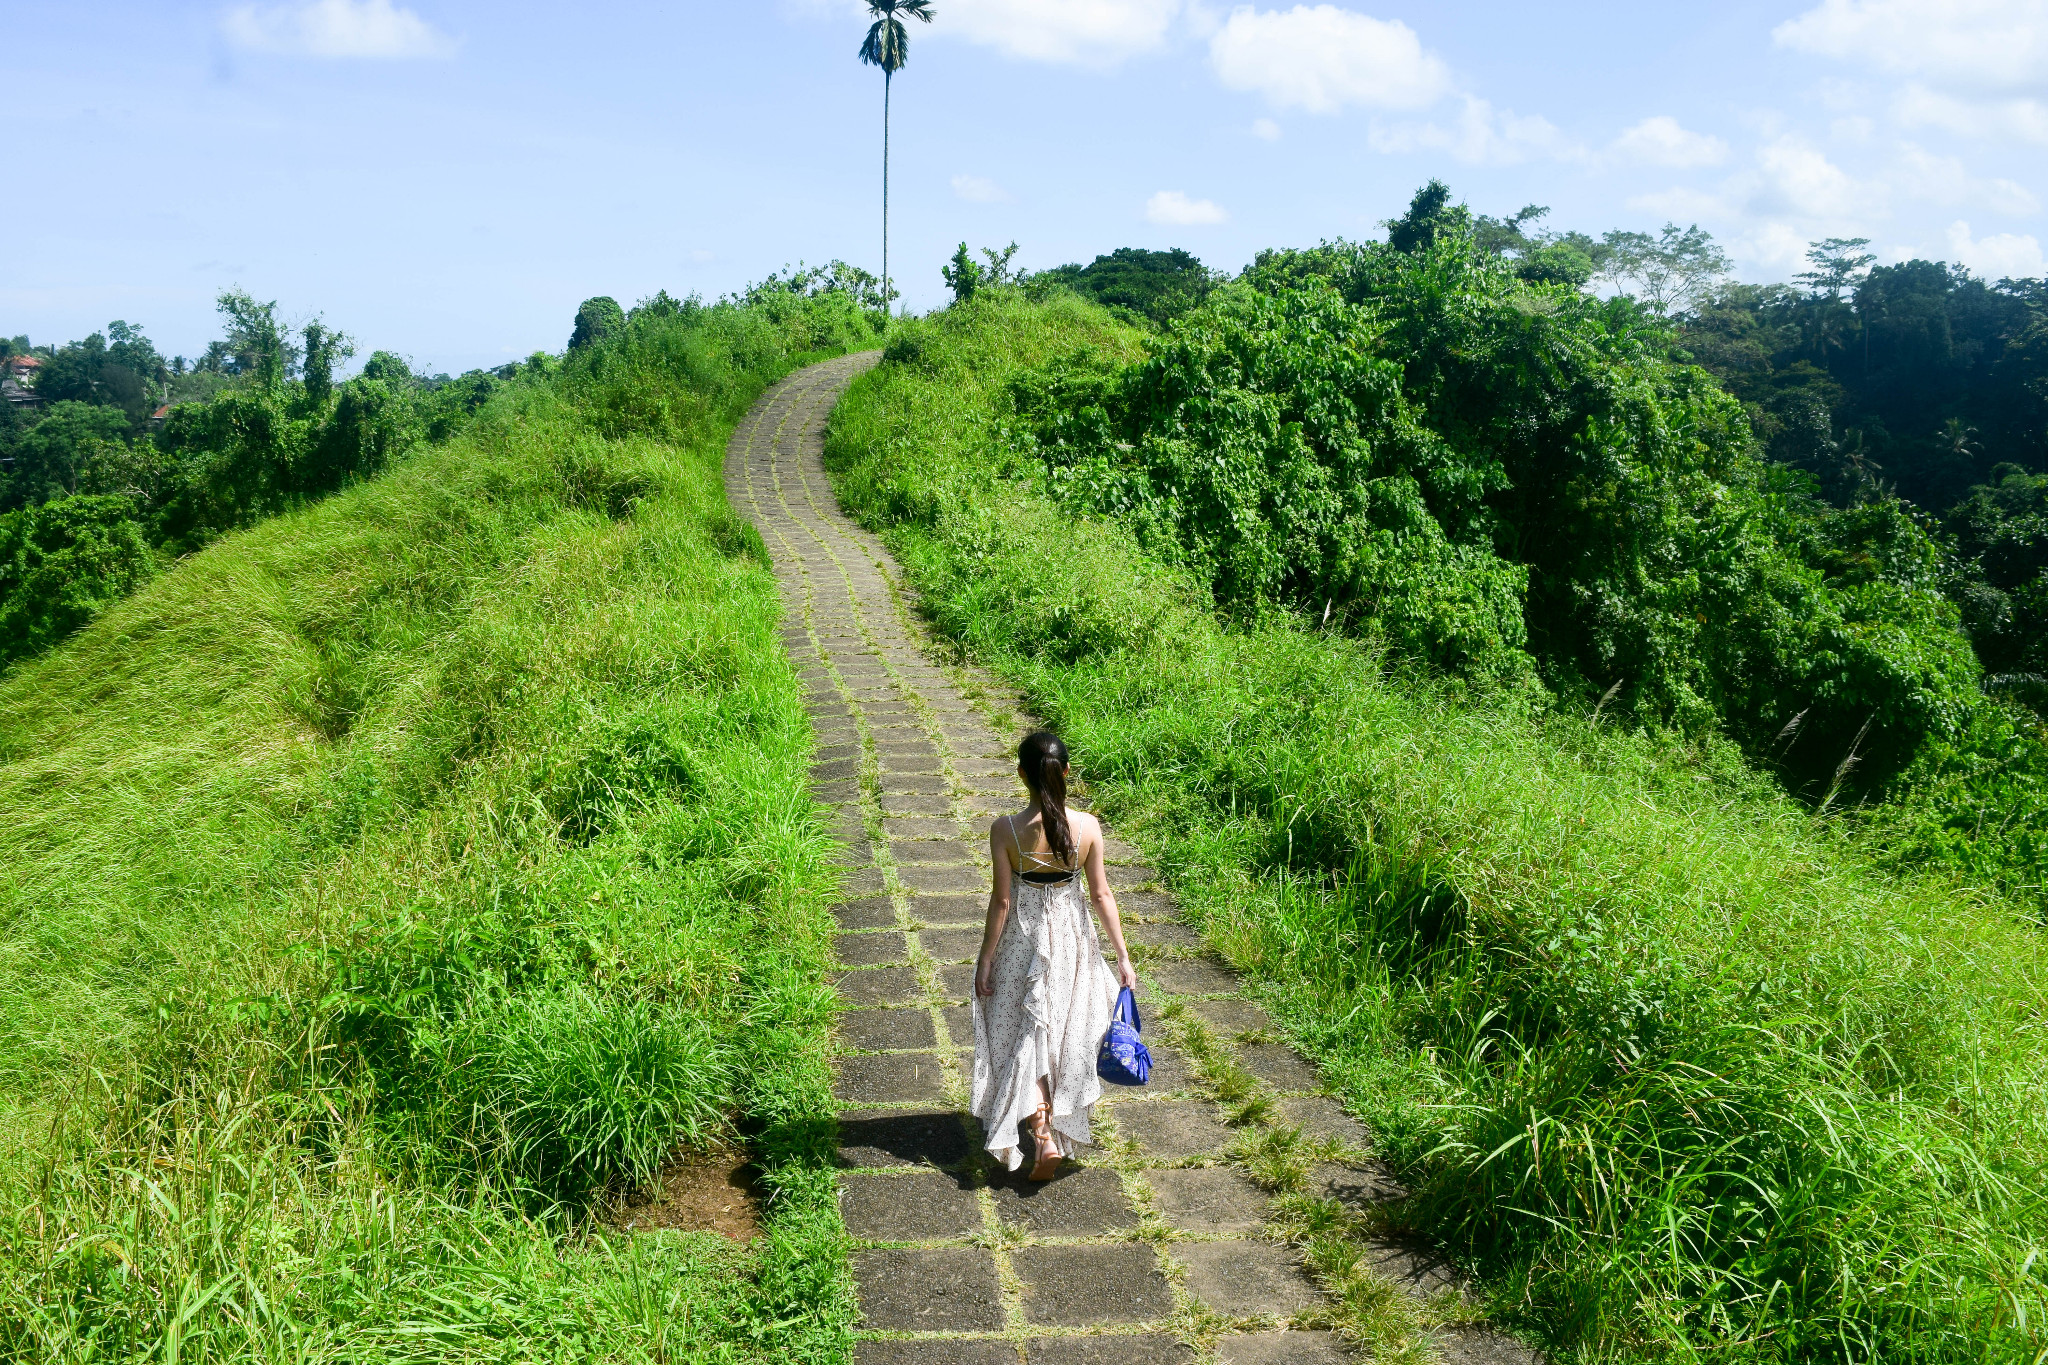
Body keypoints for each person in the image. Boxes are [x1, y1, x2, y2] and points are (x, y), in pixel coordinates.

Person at [972, 730, 1139, 1181]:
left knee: (1026, 1029)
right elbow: (1102, 894)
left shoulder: (1005, 829)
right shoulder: (1087, 827)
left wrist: (987, 958)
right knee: (1059, 1028)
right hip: (1071, 937)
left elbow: (1002, 901)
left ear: (1022, 774)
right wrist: (1122, 956)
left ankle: (1042, 1132)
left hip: (1022, 938)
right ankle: (1049, 1124)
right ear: (1066, 772)